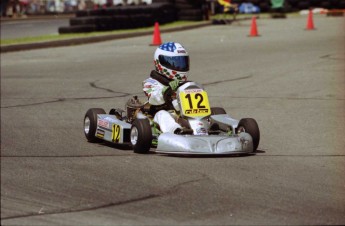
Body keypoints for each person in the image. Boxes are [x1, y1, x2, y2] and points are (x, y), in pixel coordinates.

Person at [142, 42, 193, 135]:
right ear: (160, 63)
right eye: (175, 63)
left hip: (183, 113)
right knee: (162, 114)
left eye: (182, 62)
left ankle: (206, 126)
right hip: (159, 116)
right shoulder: (151, 82)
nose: (179, 66)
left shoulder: (184, 84)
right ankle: (176, 131)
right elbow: (153, 99)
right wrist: (165, 90)